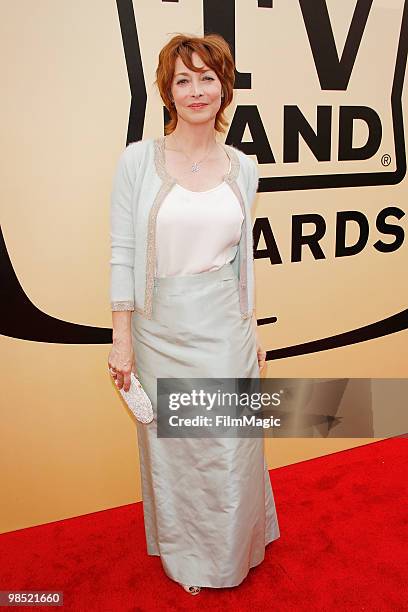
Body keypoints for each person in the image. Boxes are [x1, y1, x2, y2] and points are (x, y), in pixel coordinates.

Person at [107, 33, 280, 596]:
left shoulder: (242, 166)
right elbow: (123, 253)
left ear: (224, 88)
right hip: (161, 332)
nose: (196, 90)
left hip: (224, 325)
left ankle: (235, 551)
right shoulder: (138, 162)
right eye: (184, 79)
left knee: (230, 447)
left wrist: (250, 325)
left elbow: (241, 260)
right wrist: (122, 338)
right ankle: (190, 559)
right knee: (179, 453)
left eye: (207, 77)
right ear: (168, 91)